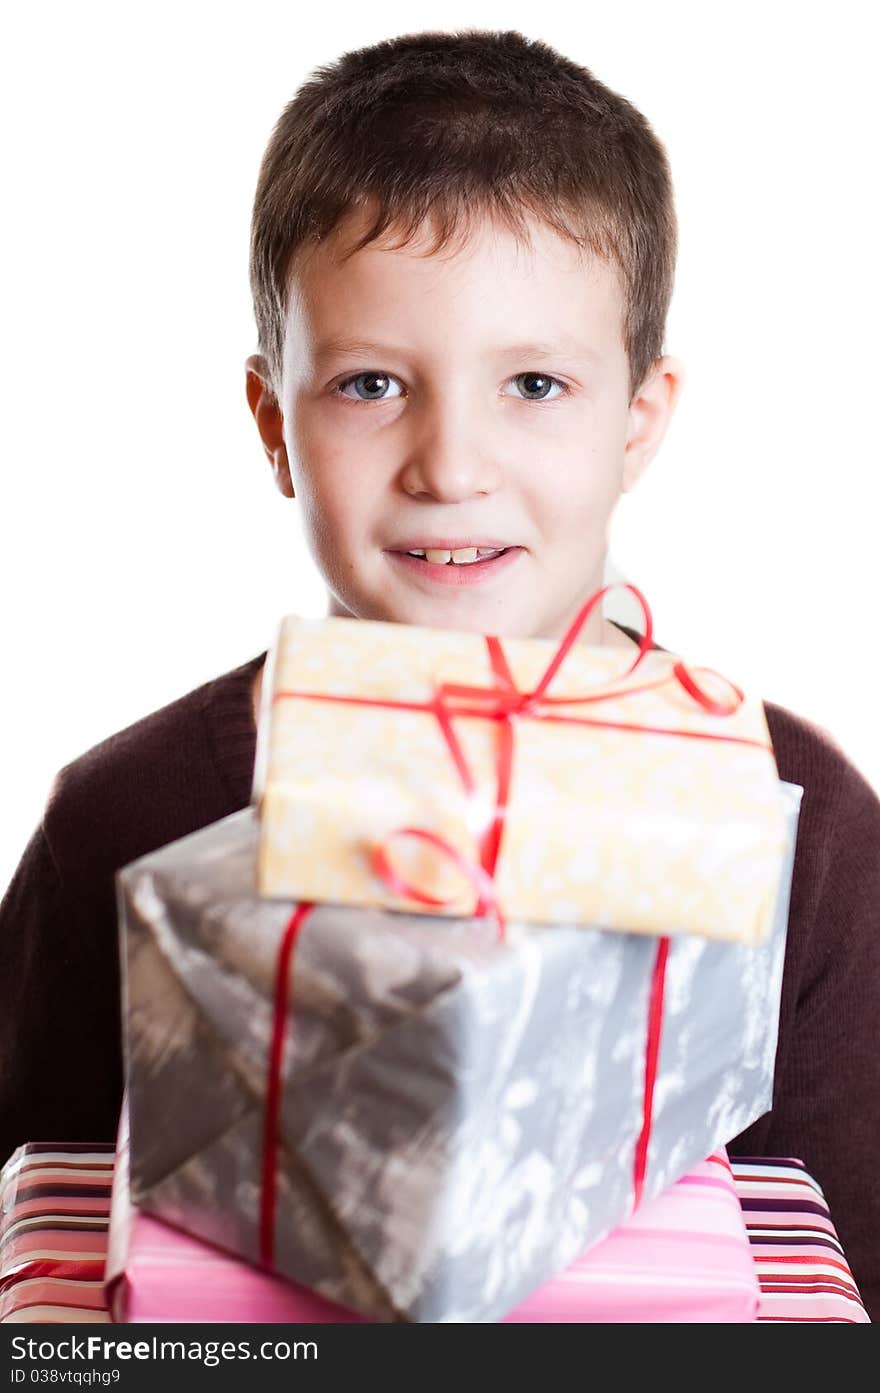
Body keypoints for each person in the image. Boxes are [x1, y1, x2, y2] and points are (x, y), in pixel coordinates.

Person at [2, 29, 878, 1318]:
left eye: (535, 382)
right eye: (369, 384)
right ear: (273, 422)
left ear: (637, 421)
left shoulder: (788, 821)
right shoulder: (125, 821)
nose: (450, 463)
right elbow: (45, 1236)